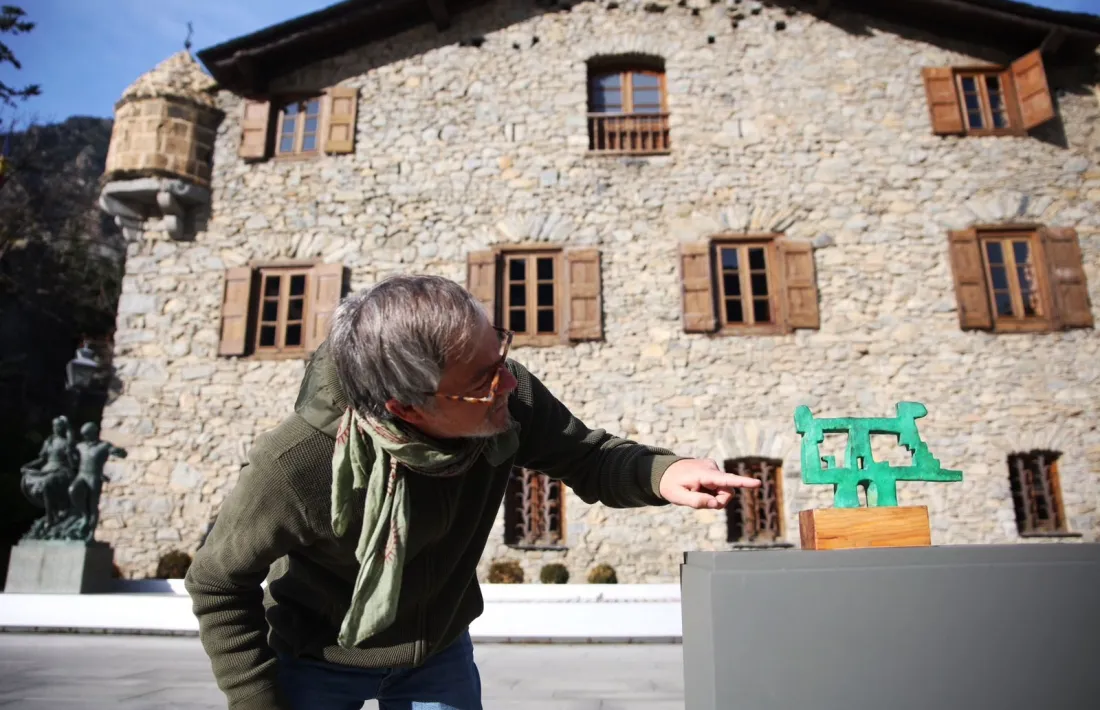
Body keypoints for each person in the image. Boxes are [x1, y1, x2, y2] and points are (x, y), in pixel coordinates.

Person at [185, 274, 761, 710]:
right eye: (482, 381)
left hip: (437, 652)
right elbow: (216, 579)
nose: (509, 382)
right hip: (314, 657)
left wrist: (664, 472)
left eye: (501, 354)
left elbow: (587, 456)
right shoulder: (296, 462)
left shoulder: (509, 400)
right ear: (406, 407)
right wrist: (258, 701)